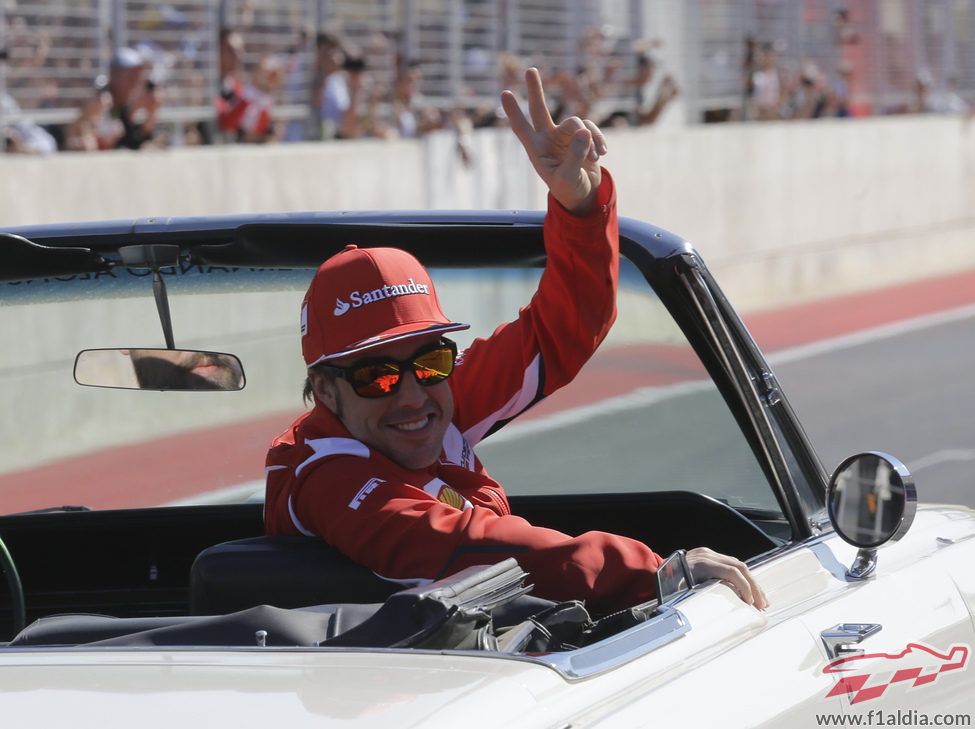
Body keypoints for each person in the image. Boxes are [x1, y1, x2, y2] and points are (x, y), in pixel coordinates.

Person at [265, 68, 768, 615]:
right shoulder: (323, 476)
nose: (410, 395)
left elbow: (563, 328)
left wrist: (581, 205)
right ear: (325, 390)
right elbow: (476, 548)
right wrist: (656, 573)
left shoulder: (432, 404)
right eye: (377, 375)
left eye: (431, 360)